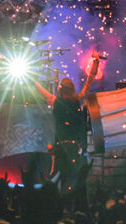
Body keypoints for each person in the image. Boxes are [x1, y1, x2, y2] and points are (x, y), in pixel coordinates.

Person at [35, 52, 102, 189]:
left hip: (67, 146)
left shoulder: (58, 101)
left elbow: (38, 89)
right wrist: (95, 62)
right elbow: (89, 81)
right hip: (70, 146)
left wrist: (32, 75)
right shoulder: (74, 100)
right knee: (68, 176)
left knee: (62, 176)